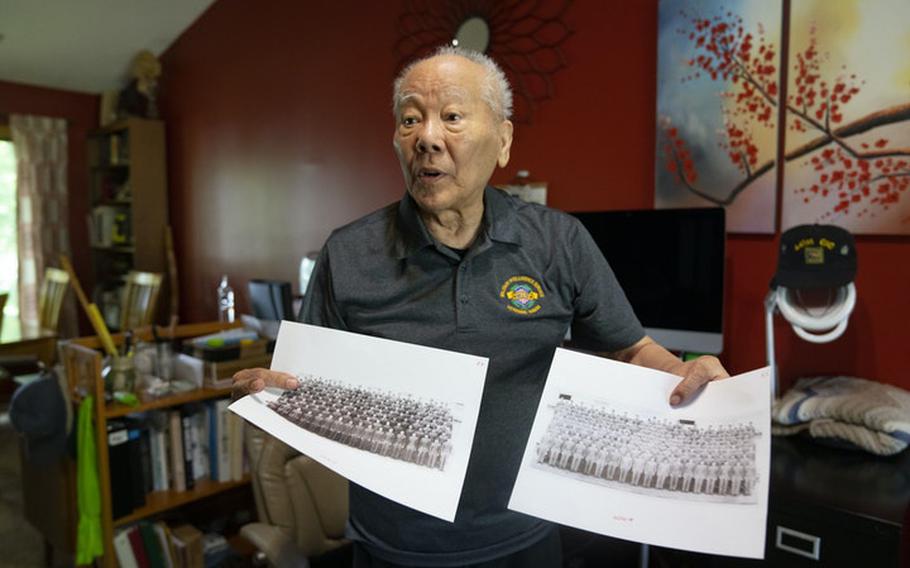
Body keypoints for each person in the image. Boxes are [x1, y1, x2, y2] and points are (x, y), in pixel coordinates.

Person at [233, 46, 729, 568]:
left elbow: (630, 349)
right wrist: (269, 397)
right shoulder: (348, 253)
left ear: (504, 141)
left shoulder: (558, 242)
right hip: (391, 546)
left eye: (451, 117)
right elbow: (303, 383)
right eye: (409, 119)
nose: (427, 137)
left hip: (524, 536)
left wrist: (685, 372)